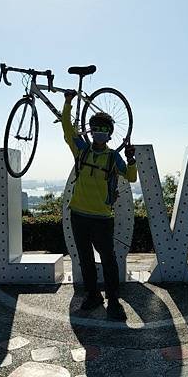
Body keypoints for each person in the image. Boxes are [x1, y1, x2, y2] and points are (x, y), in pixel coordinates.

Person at [62, 89, 137, 321]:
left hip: (103, 218)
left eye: (104, 130)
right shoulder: (82, 150)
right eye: (96, 129)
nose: (99, 133)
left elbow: (131, 177)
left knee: (108, 260)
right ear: (91, 131)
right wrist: (67, 103)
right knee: (85, 259)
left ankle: (114, 300)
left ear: (110, 134)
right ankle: (93, 295)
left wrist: (132, 159)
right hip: (78, 216)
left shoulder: (113, 157)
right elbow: (67, 130)